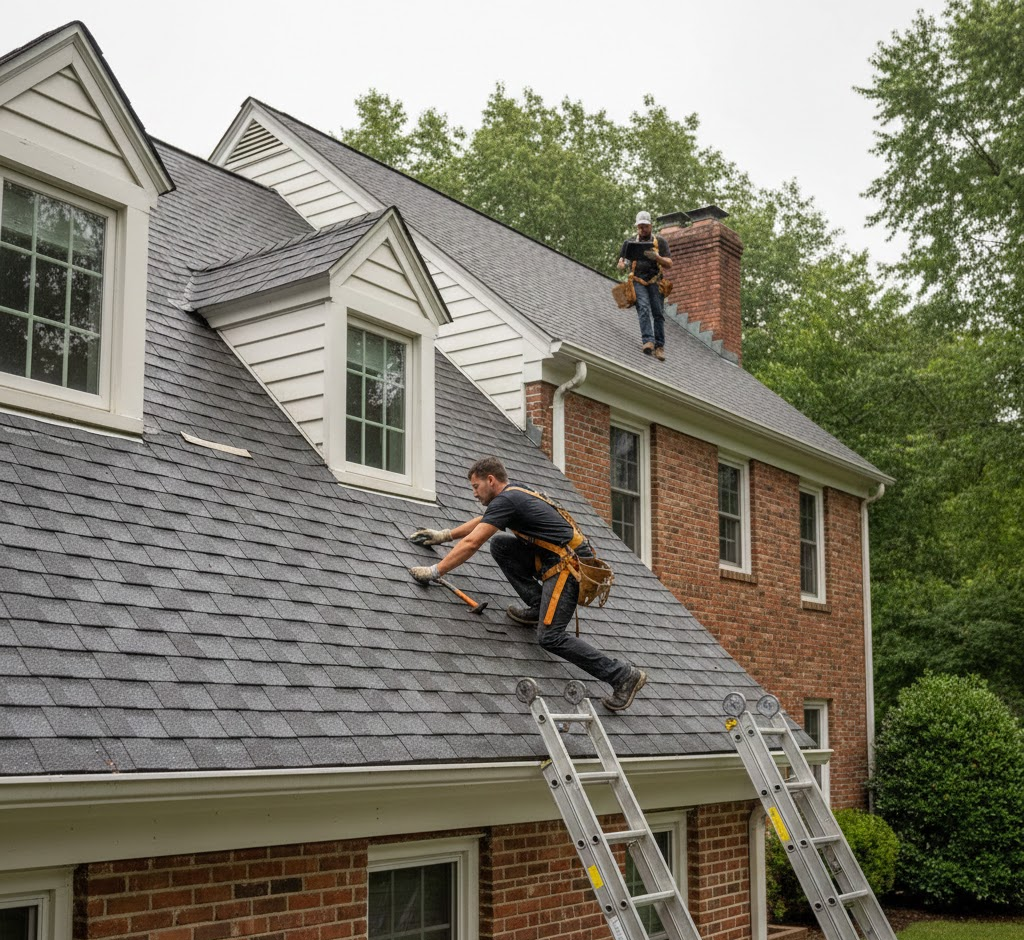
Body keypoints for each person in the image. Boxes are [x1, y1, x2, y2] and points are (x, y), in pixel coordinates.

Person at [408, 456, 647, 711]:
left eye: (476, 487)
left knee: (550, 637)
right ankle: (537, 606)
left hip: (568, 567)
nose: (474, 493)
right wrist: (444, 535)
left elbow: (472, 543)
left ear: (490, 480)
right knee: (501, 544)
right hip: (553, 559)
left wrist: (435, 571)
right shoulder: (513, 495)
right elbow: (484, 521)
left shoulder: (508, 499)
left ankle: (622, 675)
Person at [617, 210, 673, 361]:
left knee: (658, 312)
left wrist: (657, 257)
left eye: (645, 227)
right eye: (640, 227)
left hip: (655, 280)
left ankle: (659, 346)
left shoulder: (660, 242)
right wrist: (622, 263)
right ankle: (648, 341)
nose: (642, 229)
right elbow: (622, 260)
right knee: (643, 307)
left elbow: (669, 263)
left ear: (651, 226)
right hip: (638, 280)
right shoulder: (630, 243)